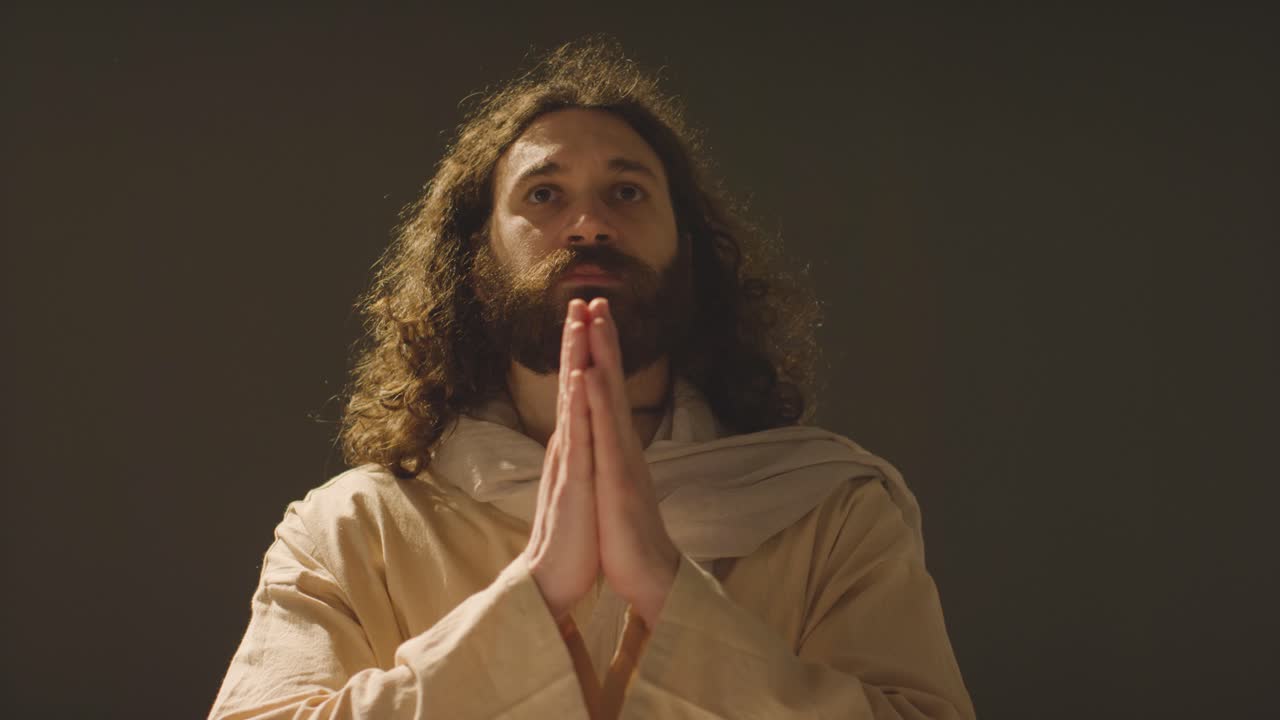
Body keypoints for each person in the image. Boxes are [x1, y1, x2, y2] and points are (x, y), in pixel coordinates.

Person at [208, 36, 976, 720]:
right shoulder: (352, 529)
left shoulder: (831, 511)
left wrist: (666, 588)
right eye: (544, 194)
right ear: (474, 261)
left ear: (689, 251)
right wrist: (537, 593)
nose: (591, 225)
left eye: (627, 192)